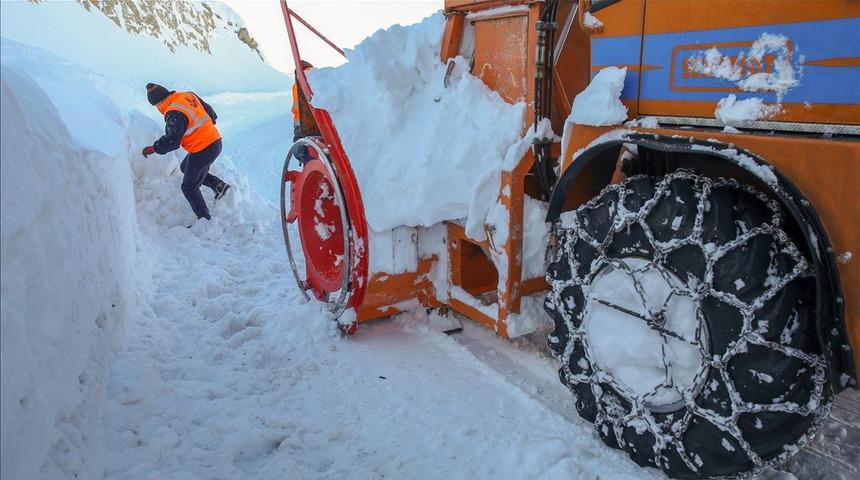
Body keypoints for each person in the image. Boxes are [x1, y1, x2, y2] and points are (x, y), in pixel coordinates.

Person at [142, 83, 230, 221]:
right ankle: (218, 186)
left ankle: (204, 219)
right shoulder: (187, 95)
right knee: (185, 167)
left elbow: (173, 141)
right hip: (214, 141)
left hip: (203, 149)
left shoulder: (173, 112)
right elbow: (211, 113)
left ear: (158, 103)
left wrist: (154, 148)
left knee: (188, 187)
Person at [292, 60, 316, 163]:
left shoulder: (297, 85)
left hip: (302, 127)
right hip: (314, 125)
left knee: (303, 153)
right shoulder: (313, 81)